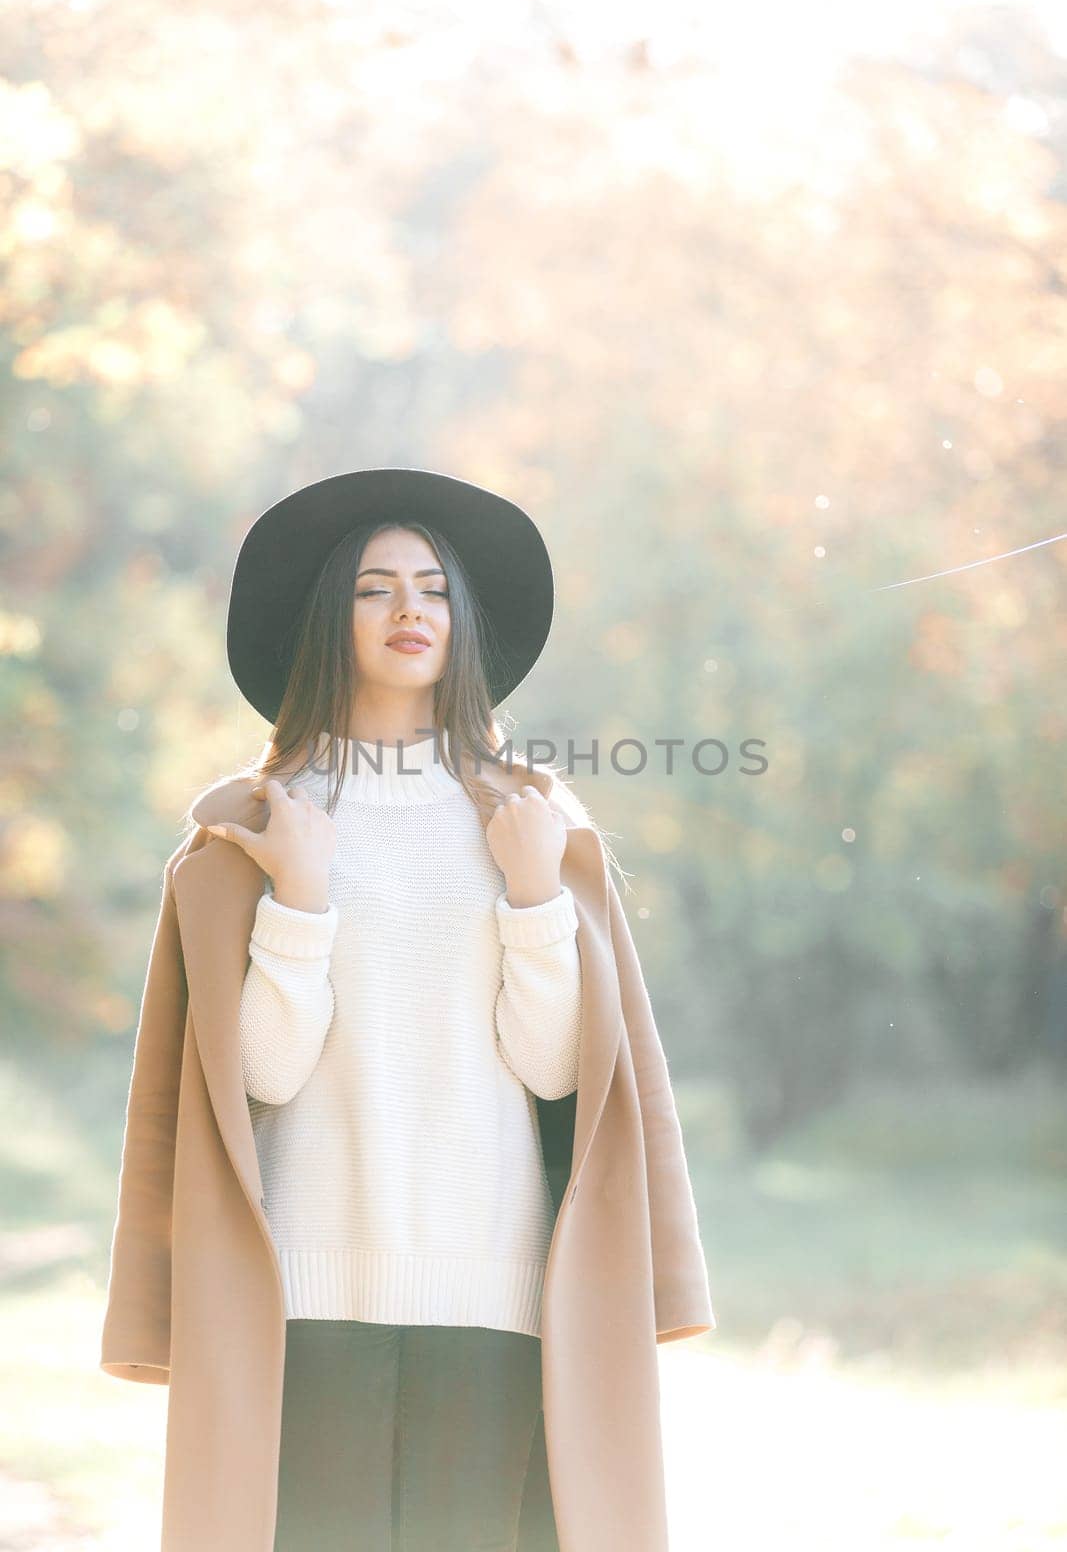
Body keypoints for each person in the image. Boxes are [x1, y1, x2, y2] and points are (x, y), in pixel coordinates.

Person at [100, 467, 715, 1552]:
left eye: (431, 589)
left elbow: (557, 1069)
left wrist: (531, 896)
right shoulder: (251, 834)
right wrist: (299, 893)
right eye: (373, 589)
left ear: (460, 622)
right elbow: (263, 1075)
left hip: (494, 1298)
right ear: (327, 621)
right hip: (299, 1302)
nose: (409, 612)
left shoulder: (535, 824)